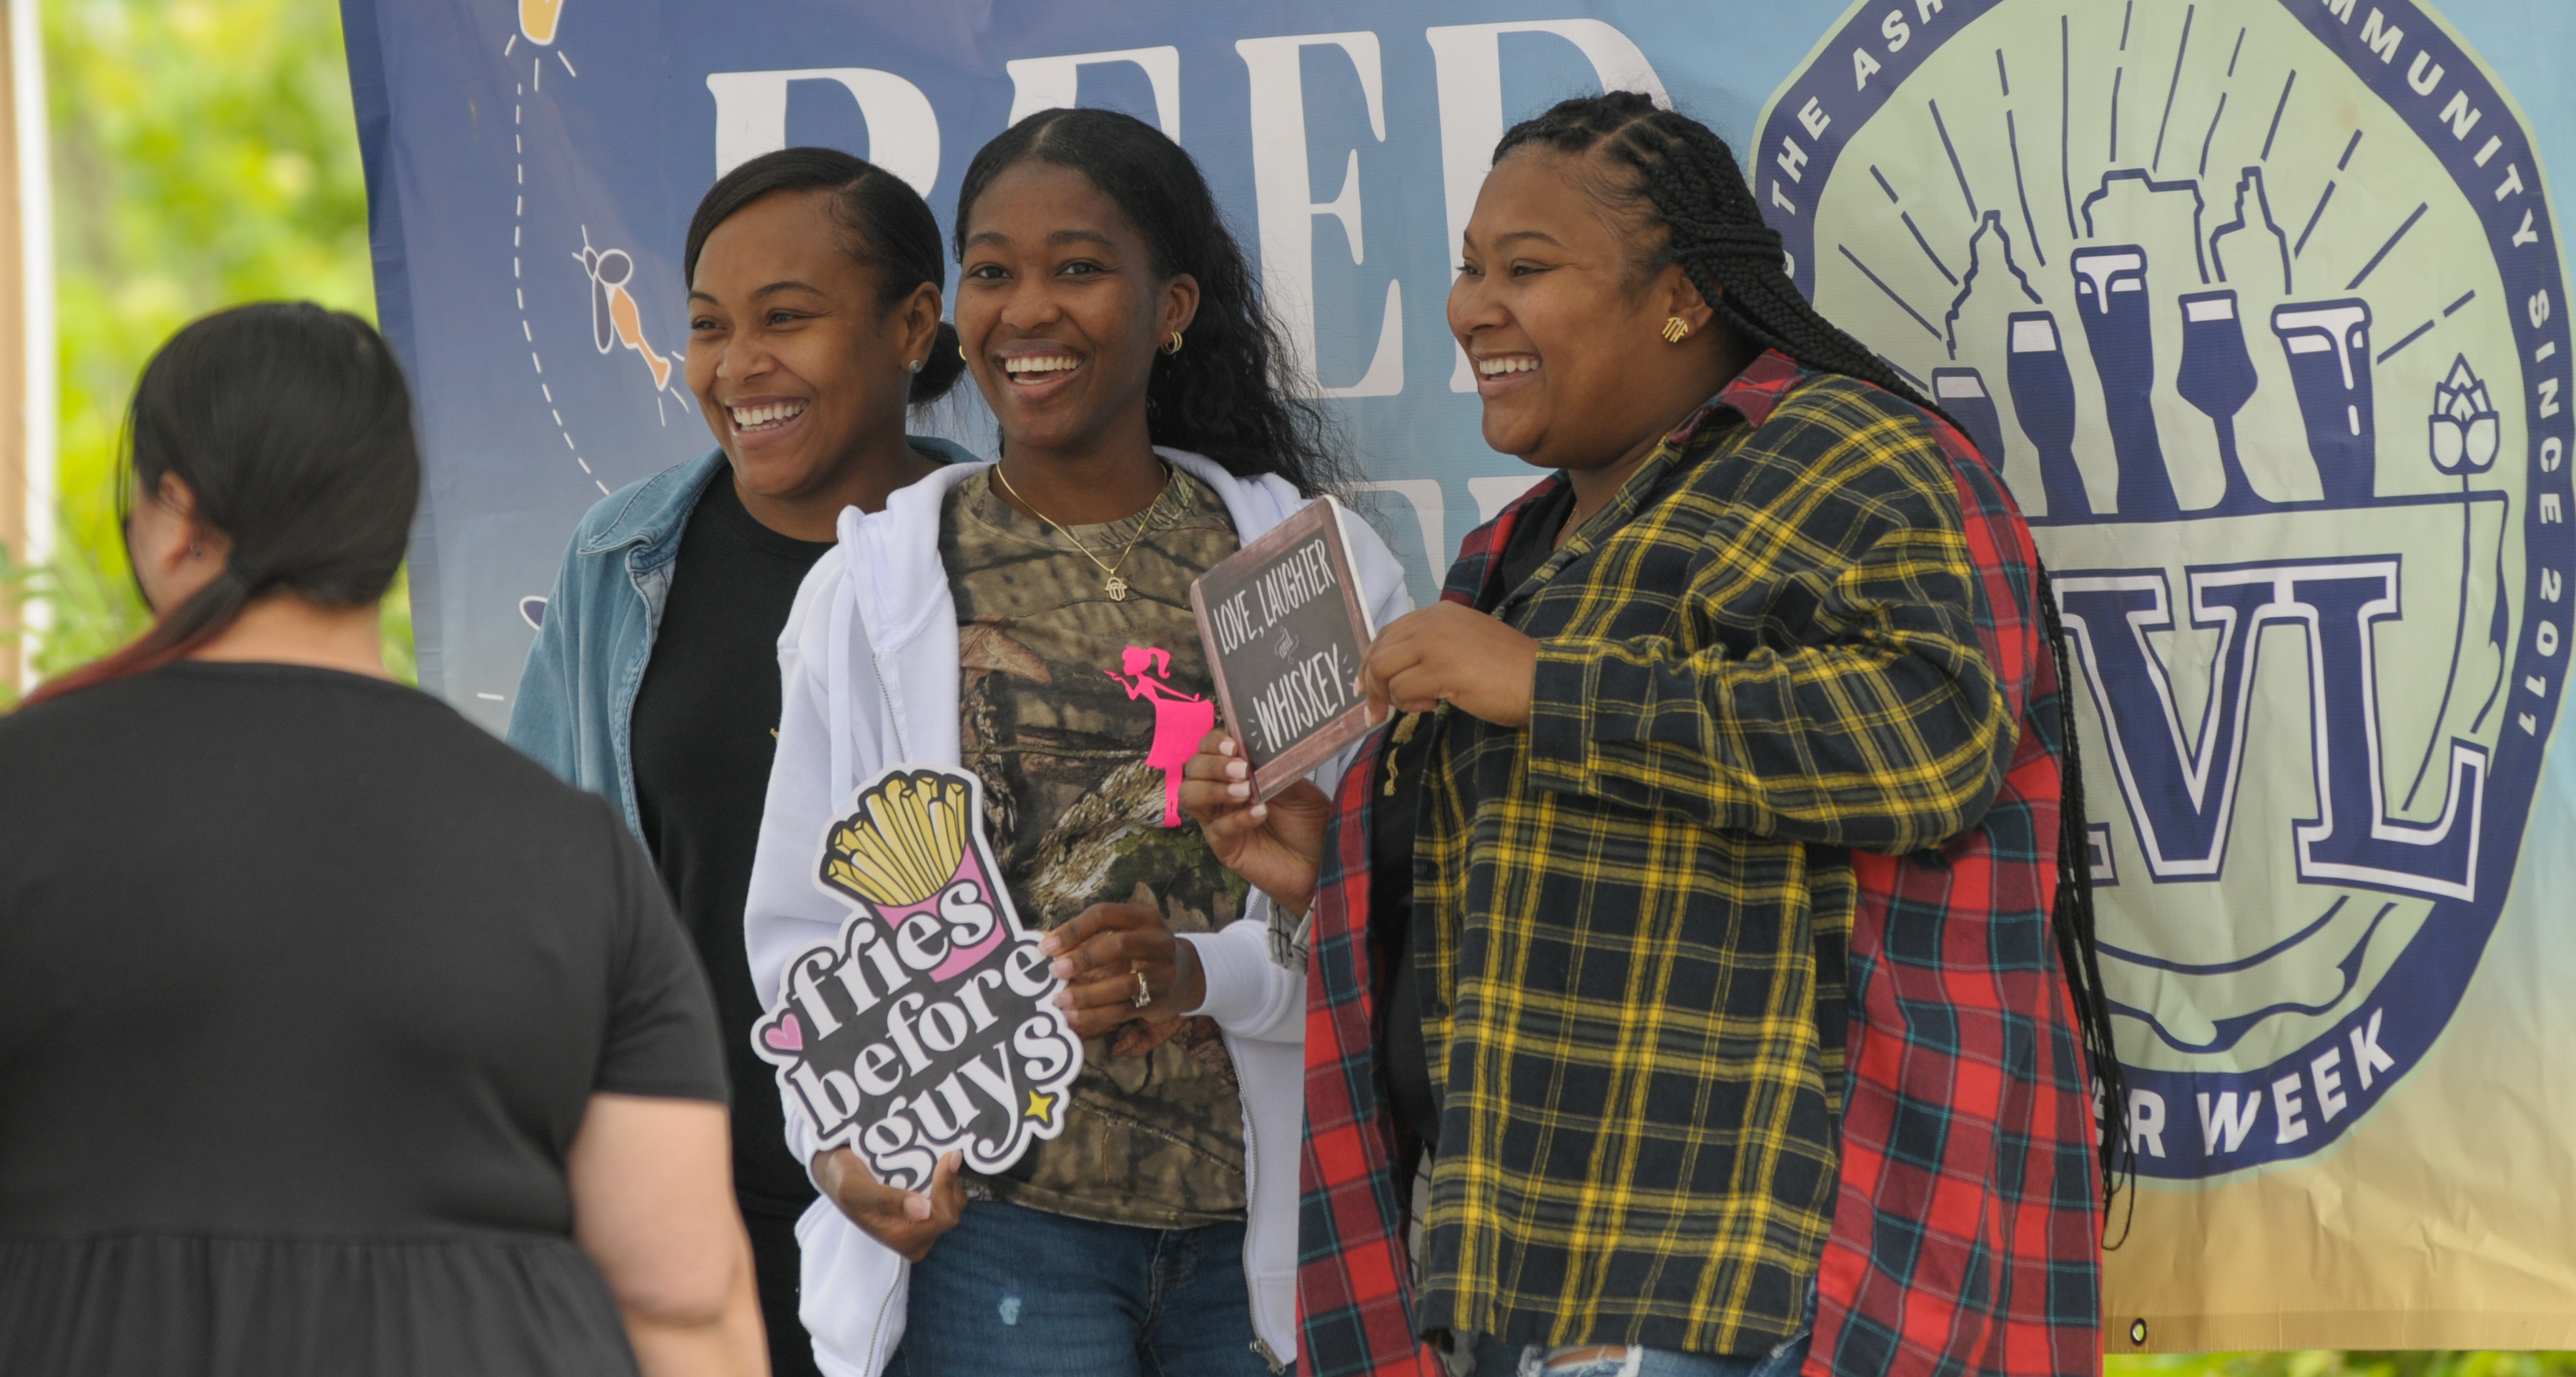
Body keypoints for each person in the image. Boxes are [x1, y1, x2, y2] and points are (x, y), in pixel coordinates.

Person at [1190, 92, 2121, 1377]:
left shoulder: (1856, 458)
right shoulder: (1509, 552)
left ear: (1680, 297)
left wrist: (1548, 687)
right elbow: (1538, 876)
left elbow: (1932, 739)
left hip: (1736, 1276)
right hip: (1511, 1272)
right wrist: (1339, 867)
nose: (1471, 307)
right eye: (1469, 268)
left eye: (1527, 269)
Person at [0, 302, 764, 1377]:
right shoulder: (574, 852)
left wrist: (60, 1263)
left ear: (177, 515)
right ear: (386, 528)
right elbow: (682, 1295)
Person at [744, 107, 1412, 1377]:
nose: (1027, 310)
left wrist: (1200, 974)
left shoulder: (1300, 568)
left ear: (1173, 307)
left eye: (1081, 269)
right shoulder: (880, 584)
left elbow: (1372, 911)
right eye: (993, 273)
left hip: (1260, 1235)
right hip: (998, 1233)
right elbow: (804, 931)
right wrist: (840, 1139)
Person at [513, 146, 967, 1376]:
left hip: (967, 1216)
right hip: (701, 1224)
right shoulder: (625, 559)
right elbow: (540, 893)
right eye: (710, 327)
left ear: (914, 324)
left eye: (788, 319)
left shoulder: (1003, 556)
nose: (737, 366)